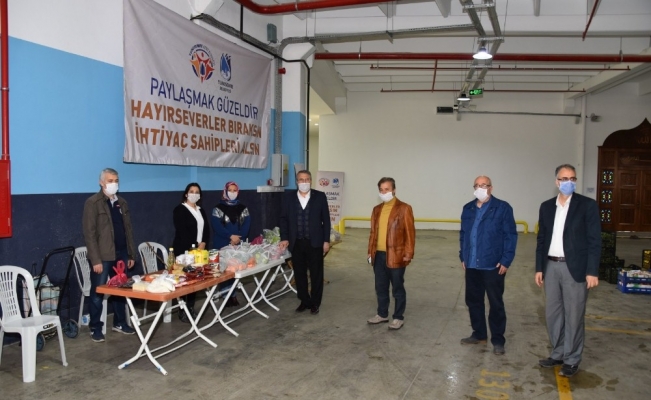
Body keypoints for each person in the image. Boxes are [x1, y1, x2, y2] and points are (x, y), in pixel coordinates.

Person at [535, 164, 601, 378]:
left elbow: (594, 241)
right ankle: (558, 353)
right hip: (551, 267)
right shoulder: (546, 207)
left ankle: (572, 359)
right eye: (564, 179)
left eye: (572, 178)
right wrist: (539, 268)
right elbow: (541, 239)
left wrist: (592, 271)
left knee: (574, 315)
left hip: (576, 268)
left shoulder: (587, 206)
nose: (568, 182)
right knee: (553, 314)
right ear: (557, 182)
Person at [459, 176, 517, 355]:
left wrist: (506, 260)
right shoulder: (468, 208)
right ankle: (479, 334)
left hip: (492, 265)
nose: (480, 188)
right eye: (477, 185)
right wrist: (463, 255)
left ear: (491, 188)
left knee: (495, 303)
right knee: (473, 301)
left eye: (483, 185)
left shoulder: (502, 208)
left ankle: (498, 340)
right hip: (472, 264)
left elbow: (510, 235)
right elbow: (463, 234)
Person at [82, 168, 136, 342]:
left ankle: (120, 322)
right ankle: (95, 327)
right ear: (101, 182)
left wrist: (131, 254)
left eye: (116, 180)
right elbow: (89, 234)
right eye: (110, 180)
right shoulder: (93, 203)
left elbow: (128, 230)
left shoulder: (122, 203)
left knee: (120, 289)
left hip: (121, 253)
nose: (114, 184)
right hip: (103, 256)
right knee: (98, 292)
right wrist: (95, 259)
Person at [279, 170, 331, 315]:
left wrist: (326, 240)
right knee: (299, 273)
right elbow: (283, 219)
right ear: (297, 182)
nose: (304, 182)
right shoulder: (288, 198)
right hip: (296, 243)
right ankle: (304, 300)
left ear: (311, 181)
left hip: (315, 242)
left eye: (307, 179)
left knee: (316, 274)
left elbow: (326, 220)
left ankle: (315, 303)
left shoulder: (320, 196)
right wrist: (284, 237)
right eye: (301, 180)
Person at [366, 177, 415, 330]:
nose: (384, 192)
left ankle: (398, 317)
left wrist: (409, 253)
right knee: (380, 287)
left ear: (394, 190)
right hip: (378, 255)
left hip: (396, 255)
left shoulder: (404, 208)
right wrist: (370, 252)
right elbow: (373, 233)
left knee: (397, 288)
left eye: (387, 189)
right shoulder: (376, 209)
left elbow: (410, 233)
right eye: (381, 190)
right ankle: (382, 314)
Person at [173, 182, 210, 322]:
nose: (194, 194)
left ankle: (190, 308)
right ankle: (182, 310)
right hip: (184, 251)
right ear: (186, 194)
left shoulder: (201, 210)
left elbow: (206, 229)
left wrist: (204, 243)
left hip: (200, 251)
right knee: (185, 281)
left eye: (197, 192)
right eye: (191, 191)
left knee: (195, 280)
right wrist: (195, 245)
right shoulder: (179, 210)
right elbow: (182, 231)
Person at [211, 181, 251, 307]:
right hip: (222, 243)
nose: (232, 193)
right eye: (230, 190)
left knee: (235, 269)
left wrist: (238, 238)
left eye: (235, 190)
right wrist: (230, 236)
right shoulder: (217, 208)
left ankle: (233, 295)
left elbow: (246, 224)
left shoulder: (243, 208)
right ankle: (226, 295)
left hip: (237, 243)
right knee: (224, 271)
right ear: (225, 191)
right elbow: (217, 226)